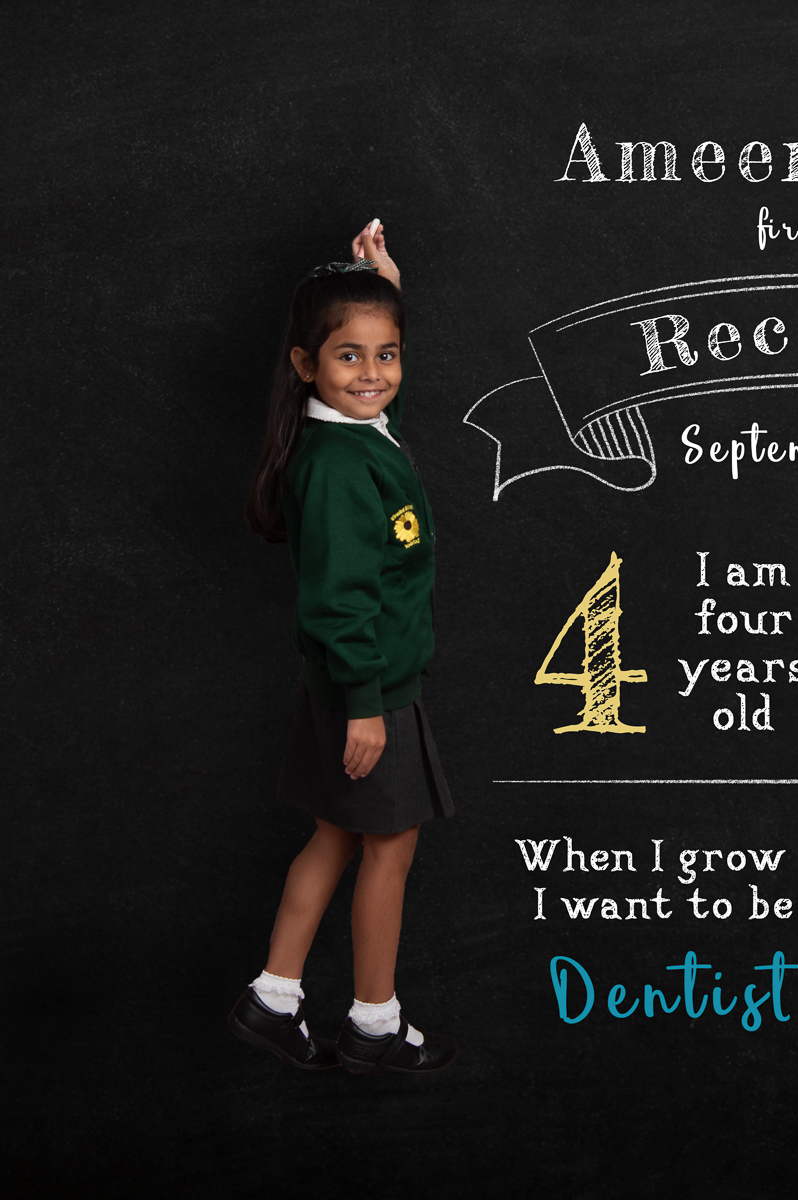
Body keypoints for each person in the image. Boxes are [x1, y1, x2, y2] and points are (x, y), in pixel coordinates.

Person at [229, 220, 457, 1074]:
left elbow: (373, 358)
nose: (373, 375)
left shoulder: (358, 432)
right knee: (388, 848)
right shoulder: (332, 464)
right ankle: (373, 1026)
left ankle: (273, 998)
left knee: (334, 837)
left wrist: (386, 286)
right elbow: (337, 601)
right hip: (367, 691)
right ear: (304, 366)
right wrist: (366, 705)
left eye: (387, 355)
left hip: (361, 686)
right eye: (349, 358)